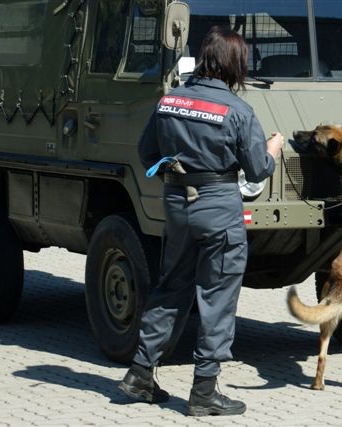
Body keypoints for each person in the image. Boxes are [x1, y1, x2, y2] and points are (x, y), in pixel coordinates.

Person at [118, 26, 284, 417]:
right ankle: (205, 392)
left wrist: (179, 177)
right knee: (217, 298)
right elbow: (257, 170)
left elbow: (146, 153)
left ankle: (140, 373)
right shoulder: (238, 111)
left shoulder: (170, 101)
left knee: (171, 288)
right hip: (219, 209)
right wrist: (272, 149)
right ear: (233, 65)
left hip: (177, 206)